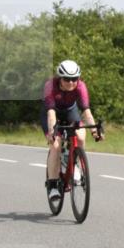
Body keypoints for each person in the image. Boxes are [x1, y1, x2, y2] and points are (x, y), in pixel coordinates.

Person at [42, 60, 102, 202]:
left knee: (80, 136)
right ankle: (53, 185)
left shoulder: (80, 87)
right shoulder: (50, 86)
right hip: (51, 112)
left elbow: (87, 112)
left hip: (70, 111)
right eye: (67, 79)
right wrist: (52, 132)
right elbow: (51, 114)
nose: (71, 83)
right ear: (60, 78)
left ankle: (75, 163)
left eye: (74, 79)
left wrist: (94, 131)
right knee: (56, 145)